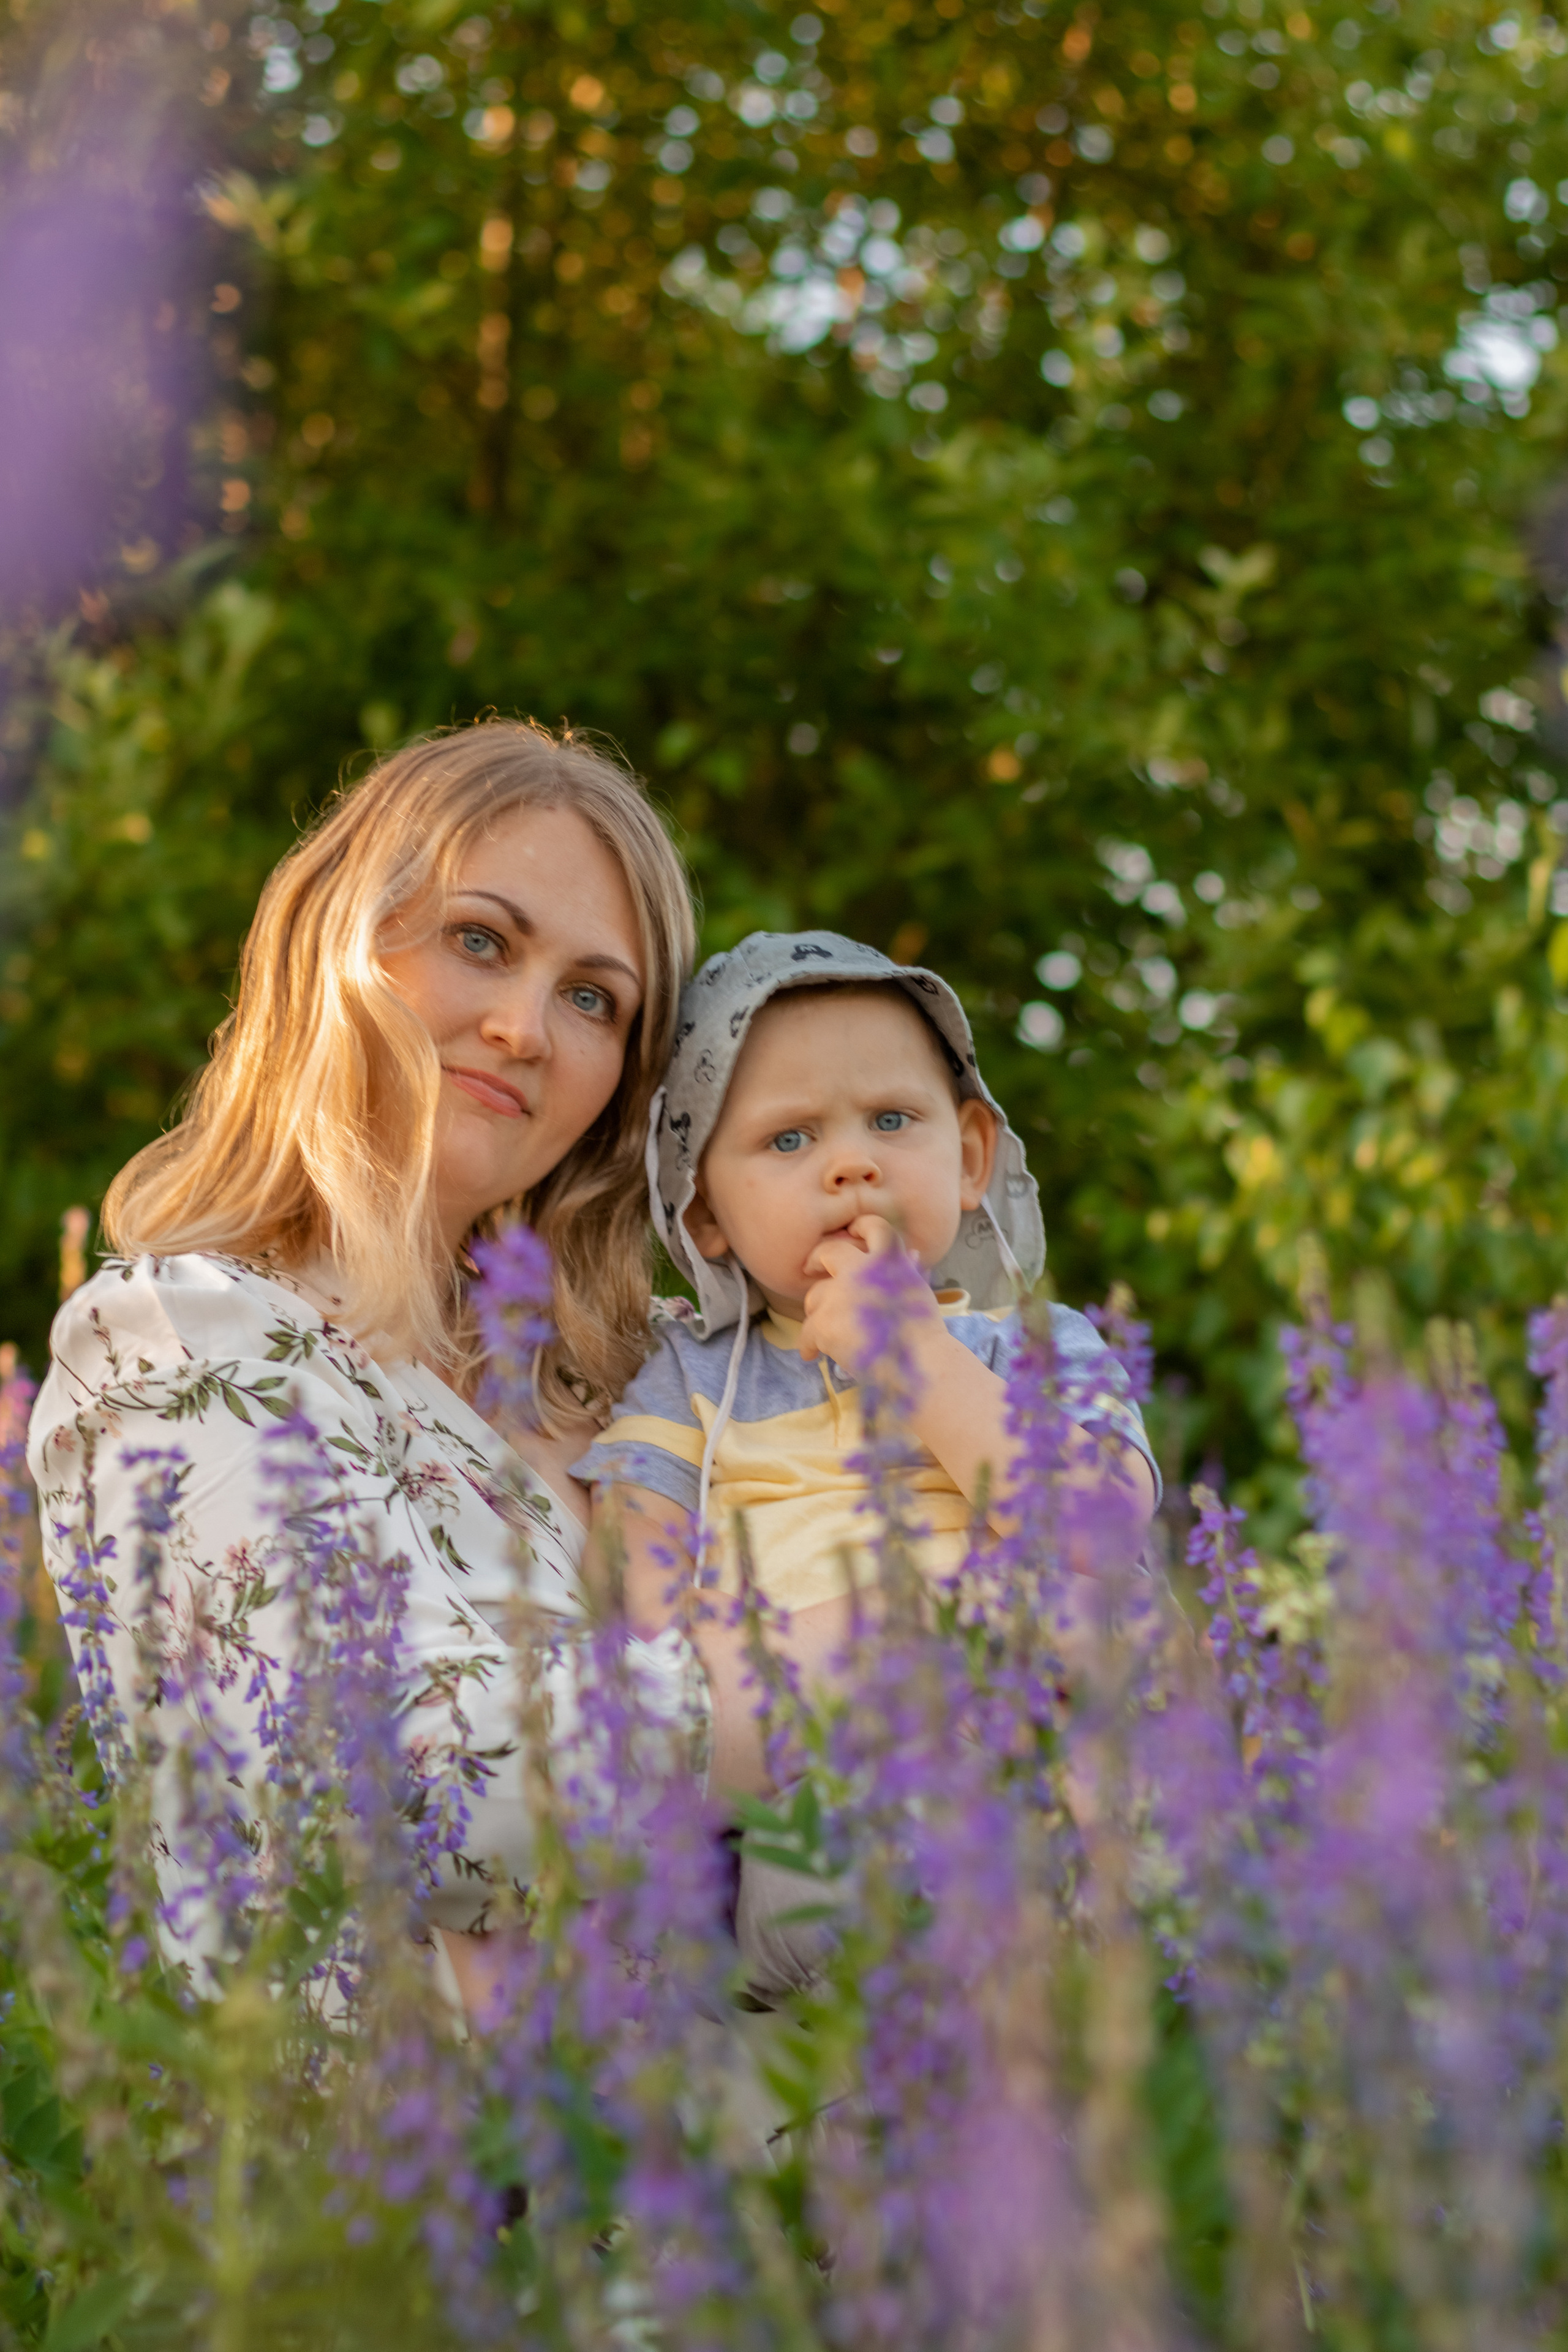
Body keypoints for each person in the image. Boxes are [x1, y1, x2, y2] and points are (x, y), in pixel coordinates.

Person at [25, 720, 696, 2019]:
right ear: (344, 944)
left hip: (789, 2192)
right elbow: (382, 1787)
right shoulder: (172, 1339)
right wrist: (813, 1684)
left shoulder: (654, 1383)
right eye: (481, 940)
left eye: (593, 997)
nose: (523, 1027)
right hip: (407, 2195)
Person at [573, 930, 1160, 1991]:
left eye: (893, 1121)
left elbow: (1104, 1529)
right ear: (705, 1211)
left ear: (970, 1156)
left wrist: (917, 1356)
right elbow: (640, 1591)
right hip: (815, 1788)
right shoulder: (698, 1376)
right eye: (791, 1140)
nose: (854, 1162)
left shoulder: (1031, 1346)